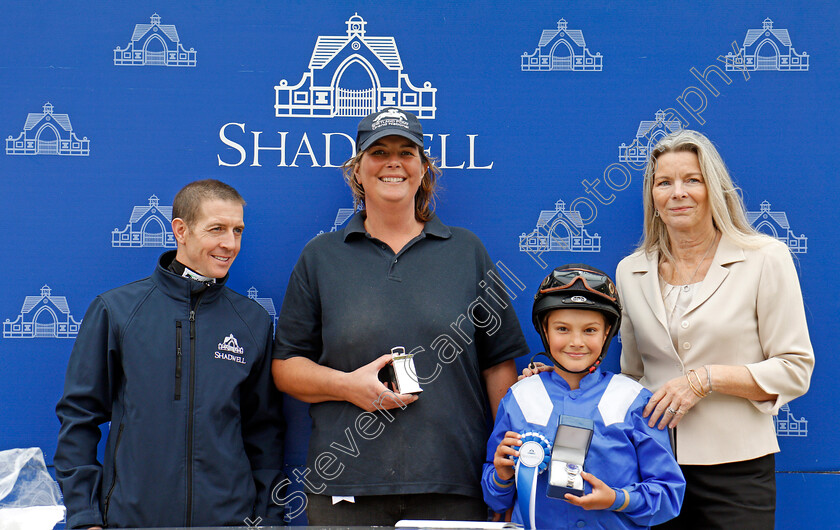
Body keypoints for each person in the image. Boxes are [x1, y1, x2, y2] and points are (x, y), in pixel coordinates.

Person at [272, 107, 529, 525]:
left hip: (452, 482)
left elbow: (498, 365)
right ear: (357, 171)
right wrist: (347, 386)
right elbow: (286, 368)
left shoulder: (467, 252)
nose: (393, 162)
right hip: (345, 484)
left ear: (424, 169)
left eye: (406, 152)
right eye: (379, 151)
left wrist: (507, 472)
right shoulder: (320, 256)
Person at [55, 180, 284, 529]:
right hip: (132, 520)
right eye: (217, 229)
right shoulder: (116, 310)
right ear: (181, 230)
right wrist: (85, 517)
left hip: (229, 521)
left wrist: (268, 519)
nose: (230, 243)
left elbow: (264, 431)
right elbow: (79, 418)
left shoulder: (251, 320)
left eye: (238, 230)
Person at [616, 129, 814, 529]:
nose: (678, 193)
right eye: (664, 182)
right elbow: (631, 376)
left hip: (738, 472)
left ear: (715, 189)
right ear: (652, 197)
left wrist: (706, 379)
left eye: (692, 179)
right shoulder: (630, 271)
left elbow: (795, 368)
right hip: (654, 470)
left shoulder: (765, 258)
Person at [483, 264, 684, 529]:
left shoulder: (635, 401)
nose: (576, 341)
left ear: (607, 333)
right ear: (545, 331)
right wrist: (501, 474)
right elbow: (496, 500)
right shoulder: (519, 398)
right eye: (562, 329)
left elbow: (669, 497)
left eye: (589, 330)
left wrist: (618, 499)